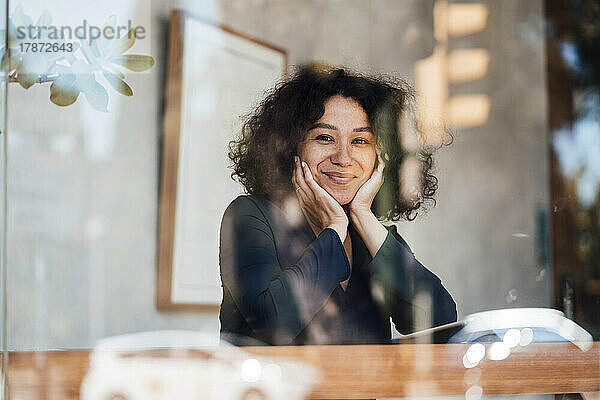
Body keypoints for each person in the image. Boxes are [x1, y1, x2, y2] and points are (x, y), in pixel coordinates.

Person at [219, 65, 456, 345]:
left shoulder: (373, 237)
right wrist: (334, 229)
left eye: (360, 141)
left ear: (382, 159)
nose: (343, 157)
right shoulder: (250, 216)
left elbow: (442, 323)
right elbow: (272, 325)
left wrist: (362, 216)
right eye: (325, 137)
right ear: (291, 147)